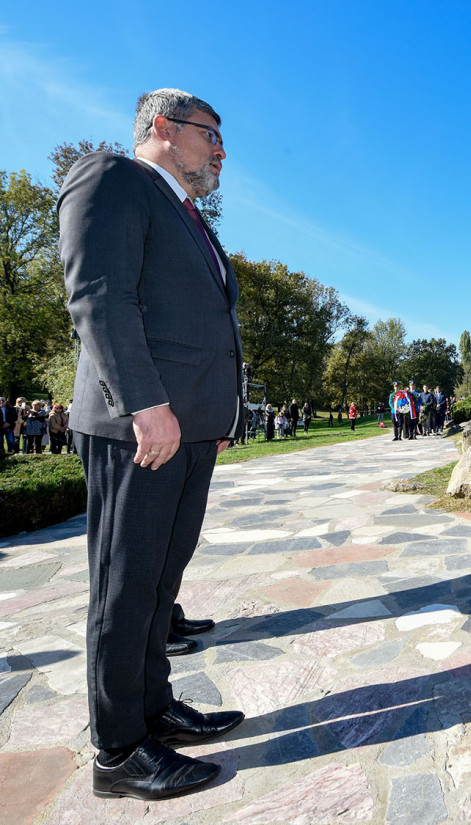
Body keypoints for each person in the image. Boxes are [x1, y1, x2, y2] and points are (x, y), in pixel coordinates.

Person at [58, 88, 245, 800]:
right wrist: (146, 404)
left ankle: (152, 707)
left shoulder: (191, 215)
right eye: (211, 134)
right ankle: (118, 749)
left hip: (190, 427)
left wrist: (213, 413)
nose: (221, 150)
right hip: (141, 426)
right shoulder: (112, 178)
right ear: (162, 128)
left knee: (160, 582)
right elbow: (101, 295)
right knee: (125, 583)